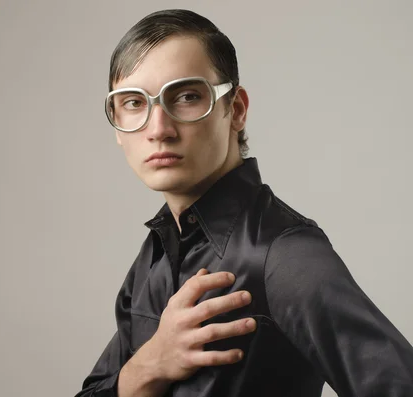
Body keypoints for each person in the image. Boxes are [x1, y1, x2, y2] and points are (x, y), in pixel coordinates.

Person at [75, 9, 413, 397]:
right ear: (117, 124)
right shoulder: (154, 253)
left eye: (186, 96)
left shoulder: (285, 256)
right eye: (134, 102)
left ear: (235, 109)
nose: (158, 129)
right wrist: (149, 366)